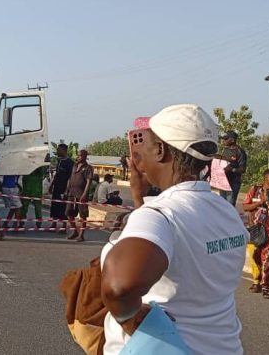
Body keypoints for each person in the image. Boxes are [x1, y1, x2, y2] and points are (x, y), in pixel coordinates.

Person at [101, 104, 247, 355]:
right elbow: (183, 251)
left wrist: (130, 321)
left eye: (145, 144)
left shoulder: (161, 215)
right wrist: (139, 199)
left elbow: (119, 288)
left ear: (160, 150)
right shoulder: (226, 211)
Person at [242, 169, 269, 299]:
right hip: (254, 231)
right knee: (255, 257)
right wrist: (260, 202)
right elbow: (245, 207)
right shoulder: (254, 190)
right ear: (266, 179)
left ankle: (266, 287)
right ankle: (256, 282)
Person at [66, 149, 93, 242]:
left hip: (81, 194)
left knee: (83, 215)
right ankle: (75, 231)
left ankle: (81, 235)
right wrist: (67, 189)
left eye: (80, 155)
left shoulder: (88, 168)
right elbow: (70, 178)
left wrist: (84, 194)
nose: (78, 157)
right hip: (71, 194)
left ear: (85, 156)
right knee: (68, 213)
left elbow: (89, 182)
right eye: (78, 155)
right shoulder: (74, 166)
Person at [47, 144, 73, 233]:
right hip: (56, 187)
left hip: (64, 188)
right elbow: (56, 175)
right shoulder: (59, 161)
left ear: (64, 150)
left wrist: (66, 190)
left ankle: (64, 227)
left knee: (63, 207)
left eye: (59, 150)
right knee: (54, 205)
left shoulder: (70, 163)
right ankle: (53, 225)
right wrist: (51, 185)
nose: (57, 152)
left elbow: (70, 178)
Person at [218, 131, 247, 206]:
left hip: (233, 183)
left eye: (226, 139)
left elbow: (242, 169)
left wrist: (231, 169)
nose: (224, 141)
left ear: (232, 140)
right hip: (223, 182)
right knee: (221, 205)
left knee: (229, 206)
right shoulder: (224, 150)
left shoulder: (240, 152)